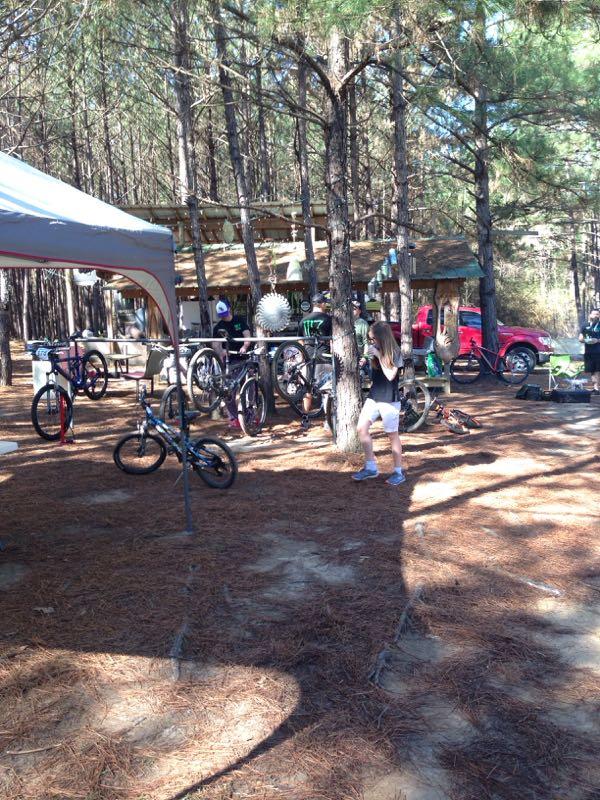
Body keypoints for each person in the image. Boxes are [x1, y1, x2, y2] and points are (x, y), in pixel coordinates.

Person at [352, 321, 406, 486]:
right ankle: (370, 467)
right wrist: (365, 360)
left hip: (389, 399)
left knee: (392, 435)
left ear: (382, 337)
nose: (372, 342)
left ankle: (398, 472)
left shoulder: (395, 352)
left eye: (374, 339)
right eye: (371, 339)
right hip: (374, 396)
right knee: (361, 428)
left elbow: (390, 375)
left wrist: (377, 353)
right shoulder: (376, 350)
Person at [212, 299, 252, 429]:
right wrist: (221, 352)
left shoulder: (239, 320)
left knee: (249, 388)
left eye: (225, 313)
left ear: (229, 309)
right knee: (229, 391)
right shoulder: (218, 327)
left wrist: (245, 347)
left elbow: (247, 335)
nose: (224, 317)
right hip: (230, 362)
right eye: (221, 315)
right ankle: (234, 417)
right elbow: (215, 344)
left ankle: (250, 414)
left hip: (244, 359)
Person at [298, 292, 332, 414]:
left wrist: (302, 356)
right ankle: (328, 419)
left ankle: (305, 417)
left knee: (307, 389)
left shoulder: (303, 320)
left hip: (308, 357)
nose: (326, 305)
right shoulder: (328, 319)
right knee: (328, 389)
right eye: (325, 303)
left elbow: (300, 340)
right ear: (322, 304)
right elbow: (332, 340)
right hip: (324, 356)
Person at [579, 307, 600, 393]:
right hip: (588, 352)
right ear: (590, 315)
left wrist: (597, 340)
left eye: (597, 314)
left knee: (598, 370)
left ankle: (597, 388)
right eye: (594, 314)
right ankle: (595, 387)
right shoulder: (585, 325)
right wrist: (587, 340)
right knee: (592, 370)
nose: (596, 315)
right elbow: (580, 339)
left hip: (598, 351)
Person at [352, 299, 370, 371]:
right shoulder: (344, 323)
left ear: (359, 311)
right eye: (350, 308)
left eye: (354, 309)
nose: (351, 310)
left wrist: (364, 357)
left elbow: (367, 342)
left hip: (359, 359)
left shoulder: (363, 324)